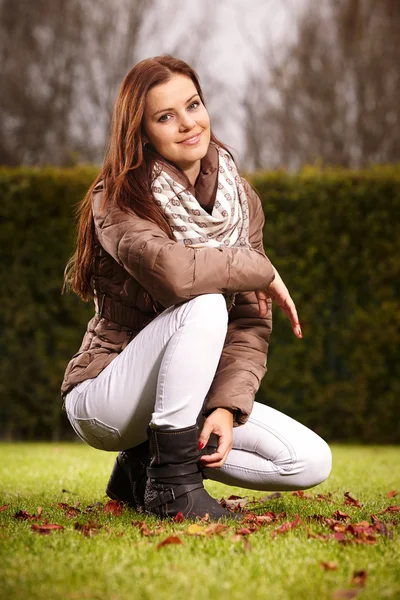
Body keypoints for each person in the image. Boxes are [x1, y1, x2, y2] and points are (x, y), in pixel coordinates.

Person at [61, 55, 332, 521]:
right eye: (166, 116)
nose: (188, 124)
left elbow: (249, 321)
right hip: (106, 399)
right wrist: (260, 268)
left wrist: (226, 409)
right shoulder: (118, 196)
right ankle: (172, 486)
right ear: (141, 131)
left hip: (185, 401)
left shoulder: (240, 199)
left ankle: (145, 467)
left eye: (194, 105)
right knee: (205, 302)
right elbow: (176, 273)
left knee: (308, 460)